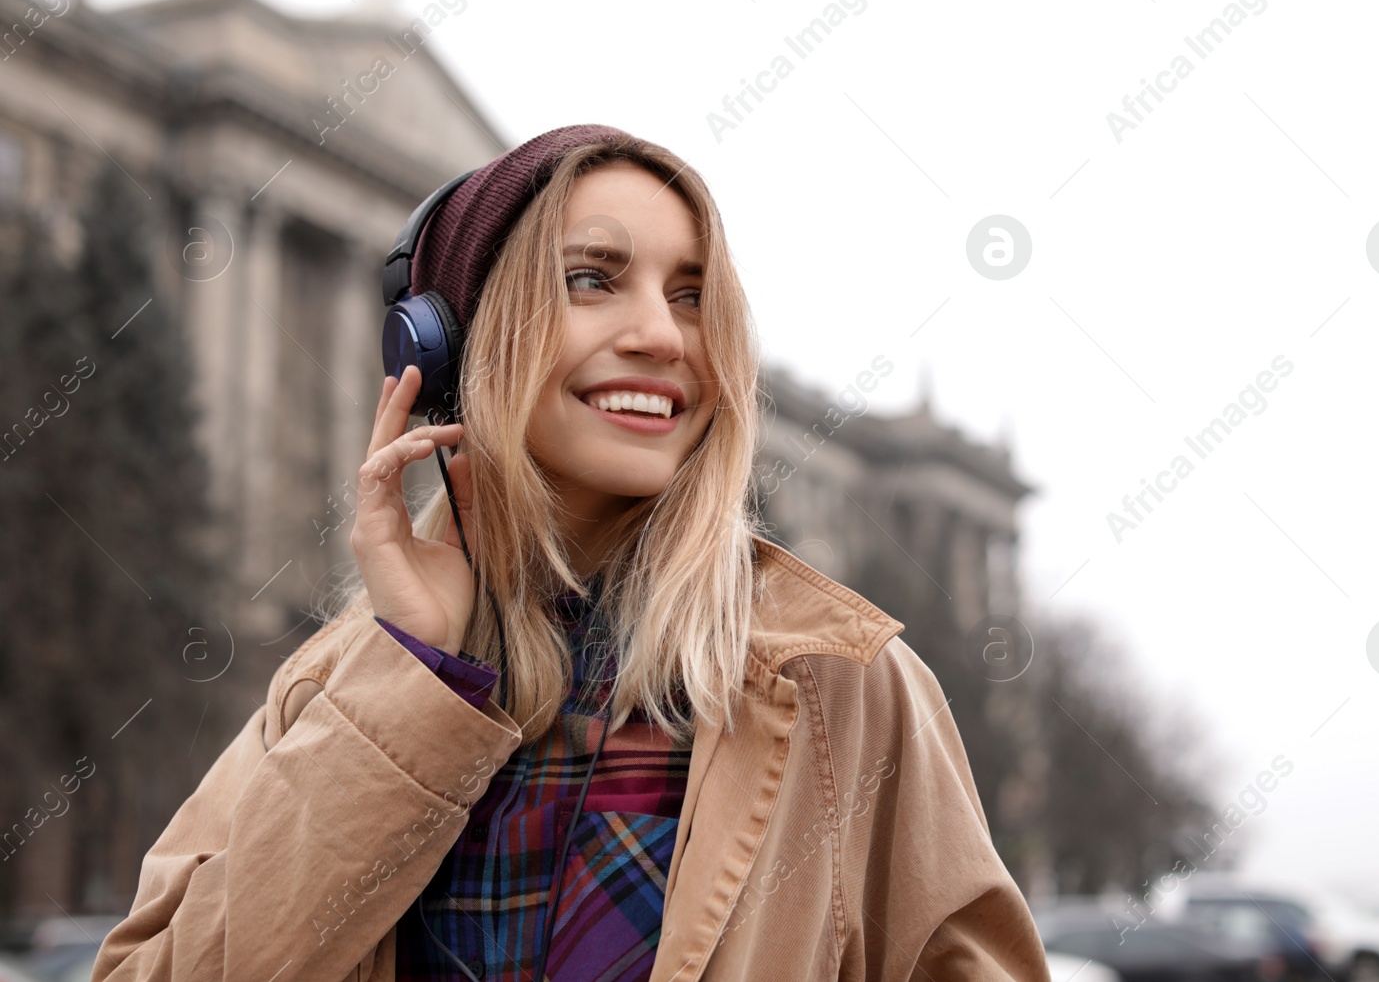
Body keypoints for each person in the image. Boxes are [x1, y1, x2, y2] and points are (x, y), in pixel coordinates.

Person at [91, 125, 1051, 981]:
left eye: (692, 296)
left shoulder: (840, 684)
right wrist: (418, 676)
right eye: (592, 278)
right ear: (454, 344)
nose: (662, 335)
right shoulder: (338, 685)